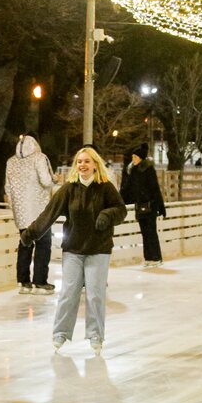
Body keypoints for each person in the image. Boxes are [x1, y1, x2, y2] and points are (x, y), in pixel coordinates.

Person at [20, 146, 127, 356]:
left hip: (99, 249)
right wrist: (31, 233)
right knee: (69, 294)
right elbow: (49, 213)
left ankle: (96, 334)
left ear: (95, 164)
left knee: (95, 295)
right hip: (74, 250)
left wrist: (107, 215)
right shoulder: (69, 189)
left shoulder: (105, 188)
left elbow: (121, 210)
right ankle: (61, 332)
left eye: (87, 161)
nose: (82, 165)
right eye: (79, 161)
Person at [4, 134, 56, 294]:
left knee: (25, 244)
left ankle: (23, 282)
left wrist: (16, 207)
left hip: (21, 212)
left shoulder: (10, 161)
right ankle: (40, 282)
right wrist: (55, 178)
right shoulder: (39, 158)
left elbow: (7, 188)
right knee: (43, 244)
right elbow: (46, 181)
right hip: (39, 210)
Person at [120, 142, 167, 267]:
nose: (133, 159)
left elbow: (155, 189)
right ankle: (148, 257)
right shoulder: (133, 171)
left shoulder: (148, 170)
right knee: (144, 233)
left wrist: (161, 206)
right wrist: (119, 201)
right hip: (139, 206)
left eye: (135, 157)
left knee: (151, 232)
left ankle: (156, 257)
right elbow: (127, 190)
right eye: (132, 157)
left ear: (140, 158)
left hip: (150, 206)